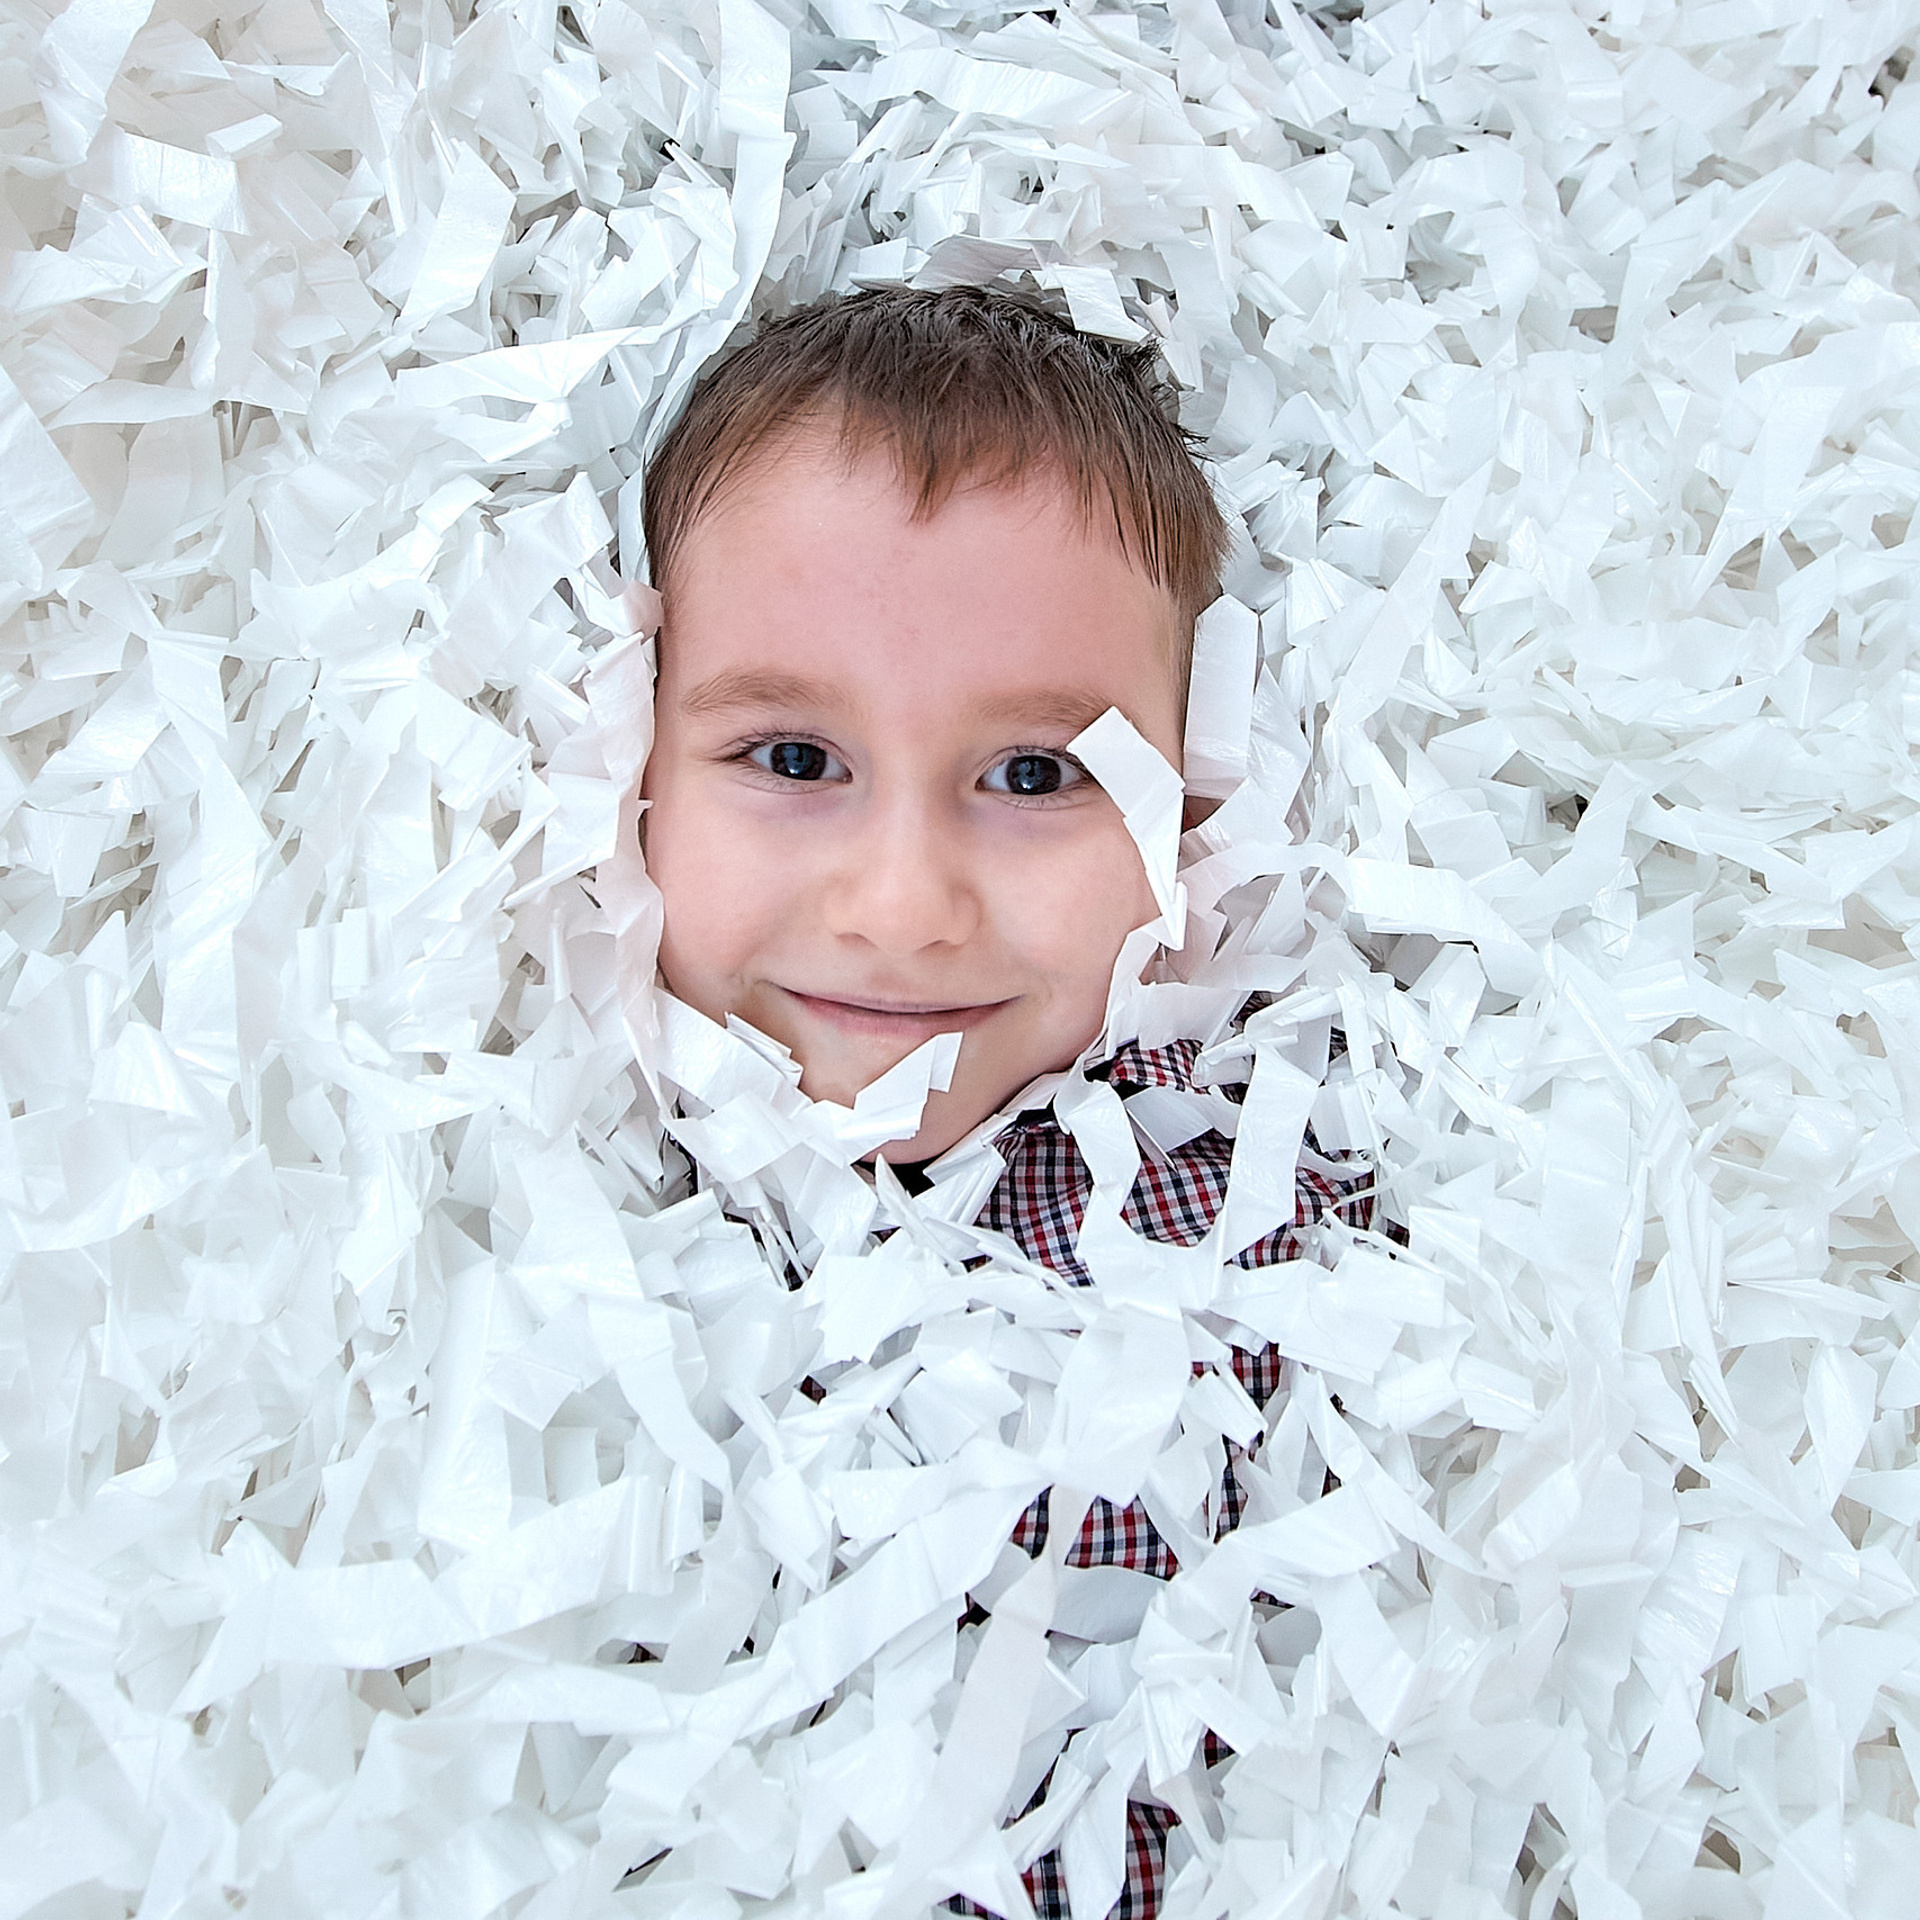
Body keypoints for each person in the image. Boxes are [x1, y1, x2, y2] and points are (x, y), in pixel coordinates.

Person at [635, 286, 1375, 1920]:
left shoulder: (1230, 1209)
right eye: (792, 758)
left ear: (1195, 799)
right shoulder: (553, 1184)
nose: (900, 907)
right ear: (630, 756)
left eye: (1034, 776)